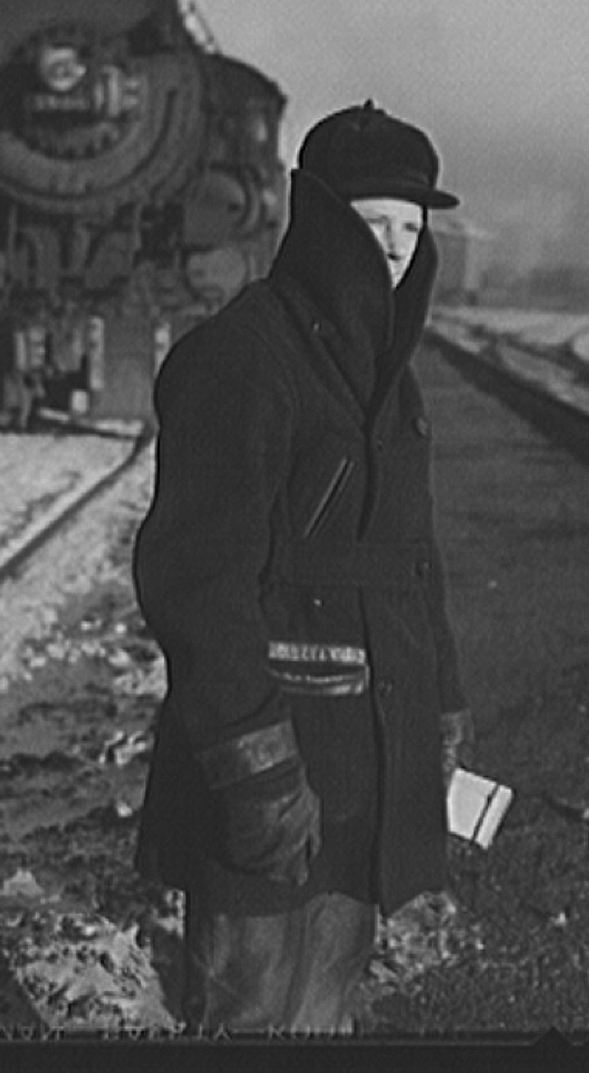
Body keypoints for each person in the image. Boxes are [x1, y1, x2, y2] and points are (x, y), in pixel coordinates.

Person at [132, 100, 473, 1035]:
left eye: (412, 227)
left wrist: (439, 714)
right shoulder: (243, 357)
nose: (398, 249)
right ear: (322, 222)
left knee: (327, 1010)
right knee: (246, 1014)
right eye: (375, 226)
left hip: (369, 764)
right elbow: (197, 581)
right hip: (275, 771)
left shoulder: (386, 376)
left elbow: (416, 566)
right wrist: (257, 777)